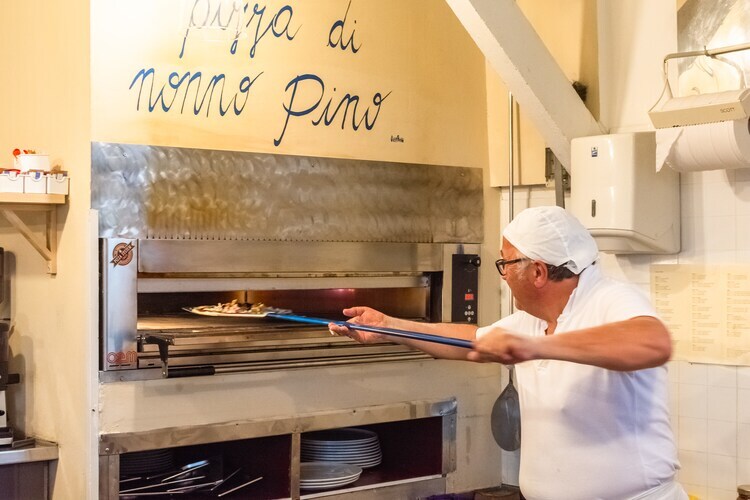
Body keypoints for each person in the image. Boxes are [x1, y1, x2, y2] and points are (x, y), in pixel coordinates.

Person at [329, 205, 686, 500]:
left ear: (538, 272)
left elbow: (653, 342)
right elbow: (471, 340)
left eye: (506, 264)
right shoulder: (532, 320)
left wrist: (536, 347)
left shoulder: (610, 298)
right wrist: (388, 326)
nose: (503, 275)